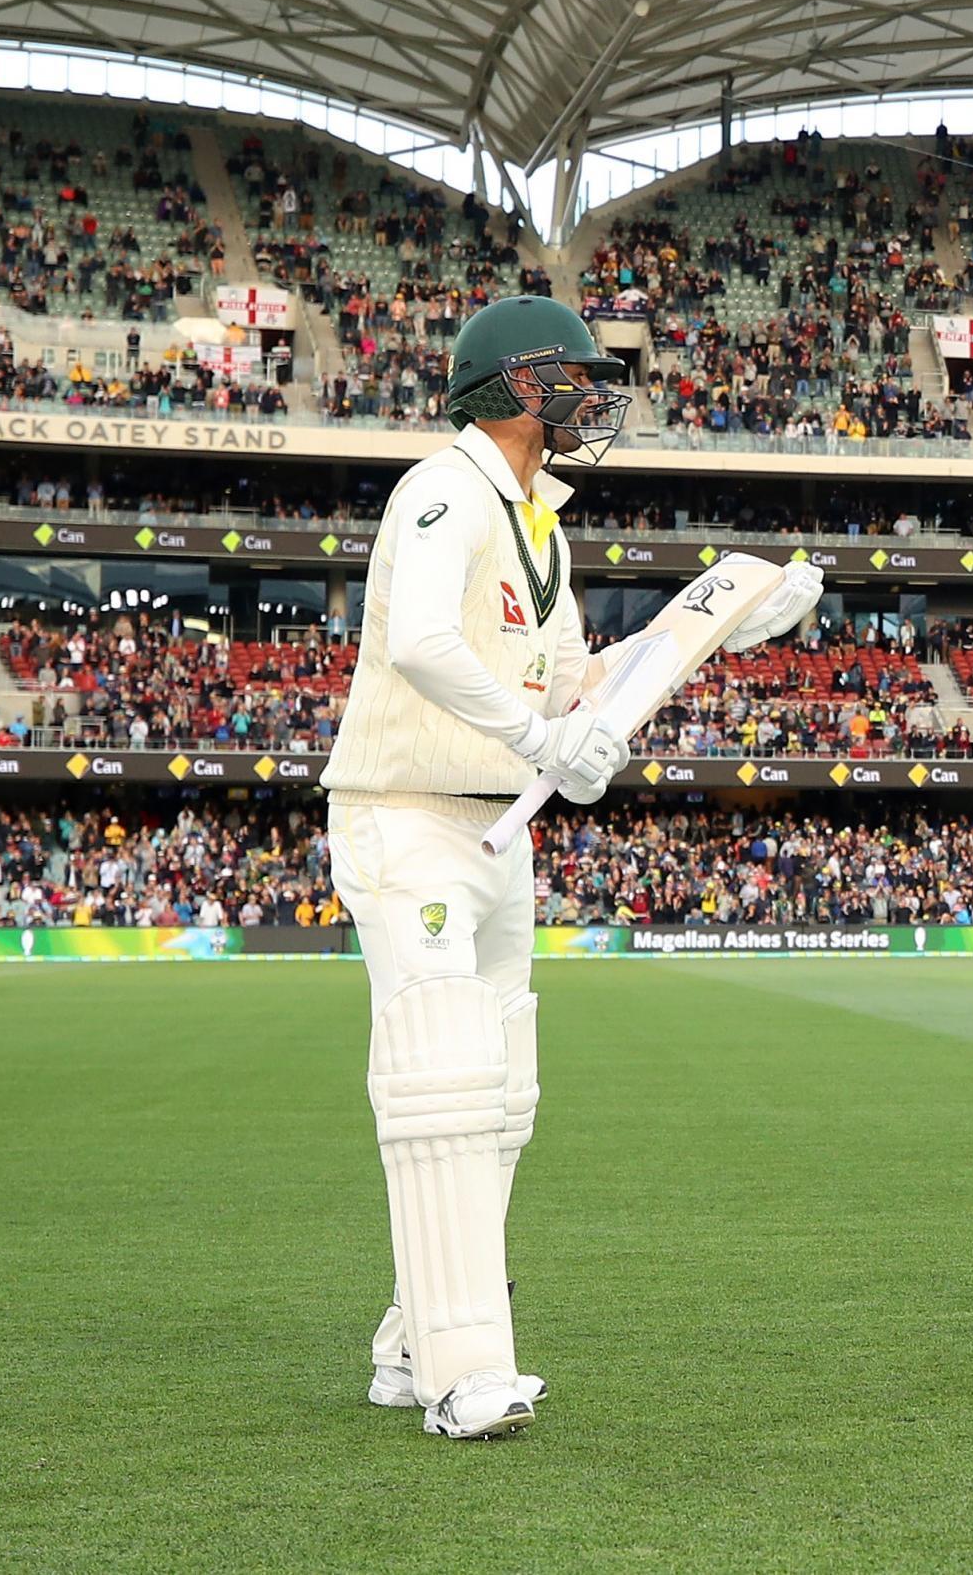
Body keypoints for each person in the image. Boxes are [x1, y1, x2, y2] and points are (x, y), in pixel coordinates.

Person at [323, 297, 820, 1440]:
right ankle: (464, 1371)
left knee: (501, 1096)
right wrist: (540, 739)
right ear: (518, 382)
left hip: (499, 827)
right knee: (446, 1073)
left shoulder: (541, 524)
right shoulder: (445, 486)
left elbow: (569, 681)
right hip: (409, 812)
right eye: (577, 377)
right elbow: (421, 645)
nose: (595, 396)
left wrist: (722, 613)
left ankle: (411, 1338)